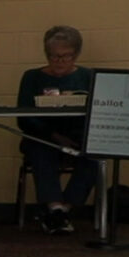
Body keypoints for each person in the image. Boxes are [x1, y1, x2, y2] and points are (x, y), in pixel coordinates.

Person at [17, 25, 96, 235]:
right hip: (43, 135)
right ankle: (55, 207)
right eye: (54, 56)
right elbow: (24, 118)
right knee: (41, 149)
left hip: (77, 137)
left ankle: (63, 210)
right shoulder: (32, 77)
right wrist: (54, 136)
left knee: (97, 155)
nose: (60, 61)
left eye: (66, 56)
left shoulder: (88, 77)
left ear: (76, 54)